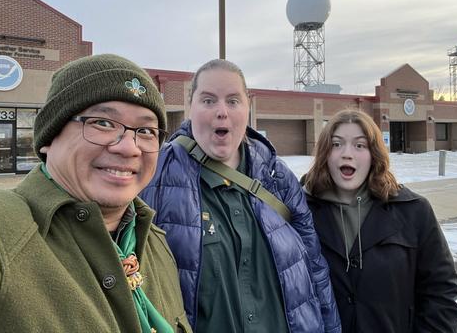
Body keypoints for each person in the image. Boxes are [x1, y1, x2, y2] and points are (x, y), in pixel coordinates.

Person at [0, 54, 191, 333]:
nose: (129, 148)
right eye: (103, 123)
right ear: (50, 137)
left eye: (145, 130)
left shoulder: (156, 244)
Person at [140, 59, 341, 333]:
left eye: (233, 101)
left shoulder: (277, 176)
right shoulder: (154, 176)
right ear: (191, 108)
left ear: (248, 107)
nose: (222, 111)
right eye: (208, 101)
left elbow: (315, 268)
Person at [302, 109, 457, 332]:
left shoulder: (414, 211)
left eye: (360, 145)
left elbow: (440, 293)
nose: (347, 154)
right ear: (325, 154)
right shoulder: (300, 214)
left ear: (374, 153)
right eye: (337, 144)